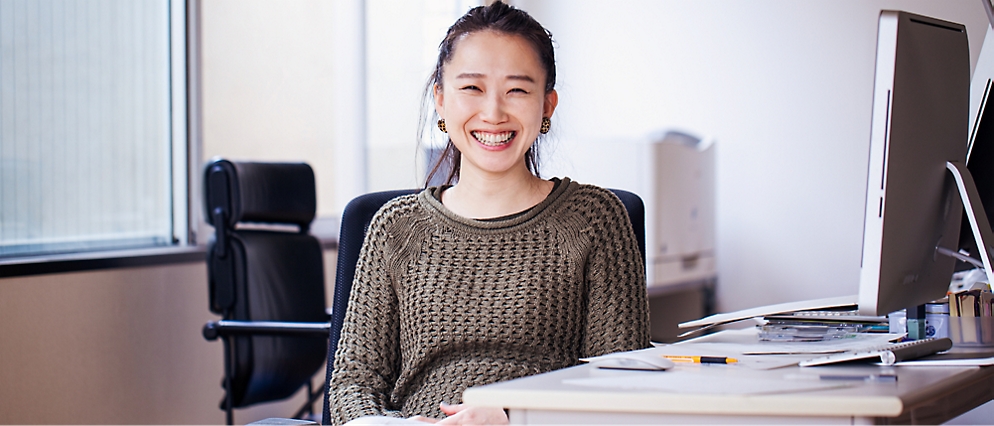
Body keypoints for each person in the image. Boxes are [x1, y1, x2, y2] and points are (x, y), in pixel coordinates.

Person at [327, 2, 650, 425]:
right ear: (441, 101)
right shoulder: (396, 227)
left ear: (547, 105)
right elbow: (353, 382)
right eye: (472, 89)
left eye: (517, 90)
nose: (494, 113)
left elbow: (620, 384)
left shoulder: (595, 219)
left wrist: (518, 415)